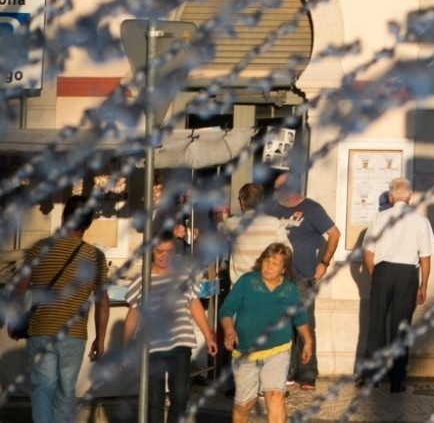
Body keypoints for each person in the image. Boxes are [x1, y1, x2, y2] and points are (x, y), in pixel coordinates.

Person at [12, 197, 108, 423]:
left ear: (64, 218)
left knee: (42, 389)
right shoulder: (95, 256)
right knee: (65, 393)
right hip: (74, 334)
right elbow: (102, 302)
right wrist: (100, 339)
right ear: (88, 224)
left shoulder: (39, 248)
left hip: (41, 330)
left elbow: (20, 288)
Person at [259, 169, 336, 389]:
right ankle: (287, 372)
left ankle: (308, 374)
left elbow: (335, 234)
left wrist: (324, 262)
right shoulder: (272, 209)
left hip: (303, 277)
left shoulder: (312, 209)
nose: (276, 192)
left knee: (305, 325)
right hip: (278, 279)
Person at [125, 235, 214, 423]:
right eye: (160, 252)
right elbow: (133, 313)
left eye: (169, 252)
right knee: (154, 399)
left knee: (180, 396)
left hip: (180, 342)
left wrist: (208, 335)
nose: (164, 256)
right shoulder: (142, 279)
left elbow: (194, 305)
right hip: (151, 347)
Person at [220, 242, 311, 423]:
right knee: (245, 404)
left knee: (275, 395)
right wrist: (229, 331)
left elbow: (300, 318)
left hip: (278, 349)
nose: (269, 266)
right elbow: (226, 310)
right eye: (266, 261)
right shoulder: (247, 281)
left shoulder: (289, 290)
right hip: (246, 351)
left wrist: (307, 342)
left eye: (275, 263)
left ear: (283, 269)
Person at [360, 179, 434, 393]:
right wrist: (423, 285)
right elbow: (425, 257)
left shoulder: (379, 218)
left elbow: (368, 252)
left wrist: (374, 274)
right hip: (407, 274)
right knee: (400, 326)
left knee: (376, 324)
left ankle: (371, 376)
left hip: (383, 270)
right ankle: (396, 380)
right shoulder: (421, 221)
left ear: (390, 198)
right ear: (410, 197)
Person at [225, 185, 289, 281]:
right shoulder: (274, 223)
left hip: (240, 285)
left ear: (242, 201)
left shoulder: (231, 223)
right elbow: (288, 251)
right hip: (267, 284)